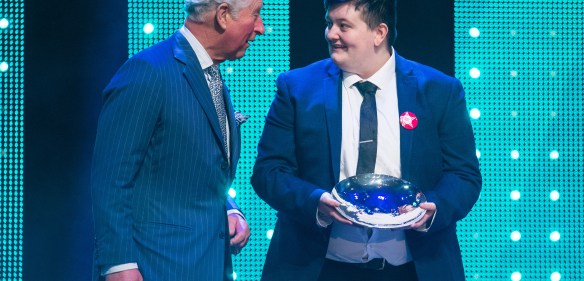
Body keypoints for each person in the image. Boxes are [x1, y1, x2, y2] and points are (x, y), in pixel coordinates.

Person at [251, 0, 481, 280]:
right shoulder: (297, 87)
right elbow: (269, 172)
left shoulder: (439, 90)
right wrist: (315, 202)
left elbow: (464, 174)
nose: (330, 33)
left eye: (343, 26)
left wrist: (433, 209)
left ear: (379, 33)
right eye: (329, 23)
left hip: (413, 269)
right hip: (318, 267)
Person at [90, 0, 264, 280]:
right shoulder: (148, 71)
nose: (261, 28)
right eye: (255, 15)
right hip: (158, 266)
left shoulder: (211, 76)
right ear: (222, 15)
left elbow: (195, 173)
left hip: (207, 264)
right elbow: (111, 180)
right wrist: (119, 264)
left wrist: (230, 211)